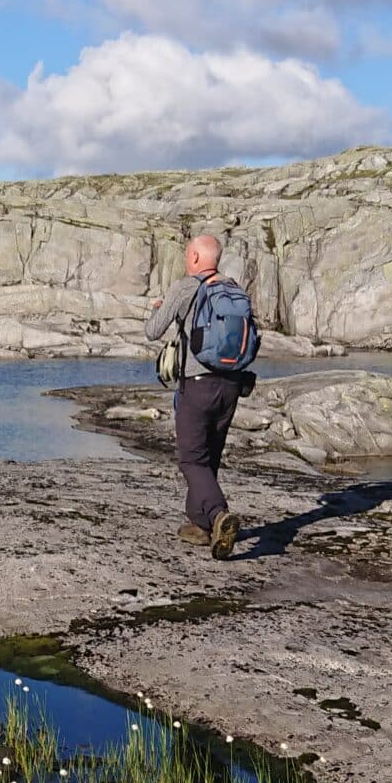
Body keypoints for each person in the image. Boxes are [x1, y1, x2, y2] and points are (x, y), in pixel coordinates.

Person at [146, 233, 246, 558]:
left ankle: (218, 515)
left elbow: (152, 331)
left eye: (188, 255)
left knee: (191, 458)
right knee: (209, 456)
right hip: (231, 385)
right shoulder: (232, 289)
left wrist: (164, 308)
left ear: (195, 257)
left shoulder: (185, 287)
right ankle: (200, 526)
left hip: (197, 384)